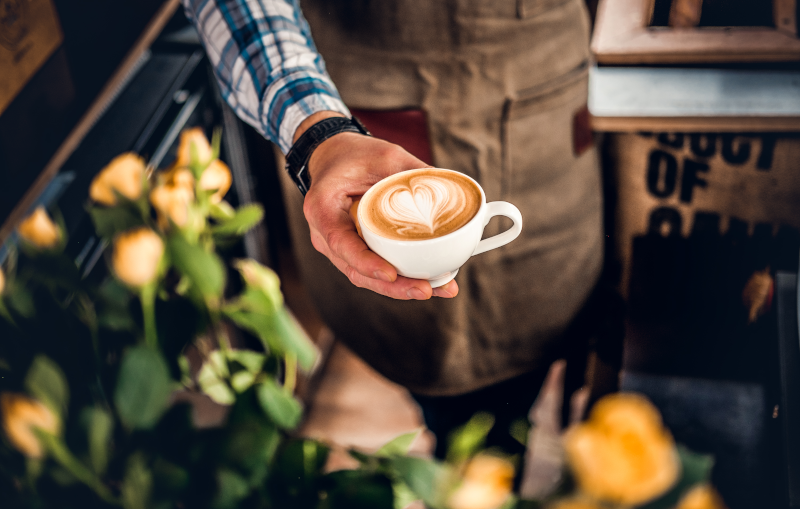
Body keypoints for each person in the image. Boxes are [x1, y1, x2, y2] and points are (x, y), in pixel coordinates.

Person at [183, 0, 603, 458]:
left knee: (531, 356)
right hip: (358, 120)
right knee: (445, 393)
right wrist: (318, 135)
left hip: (548, 111)